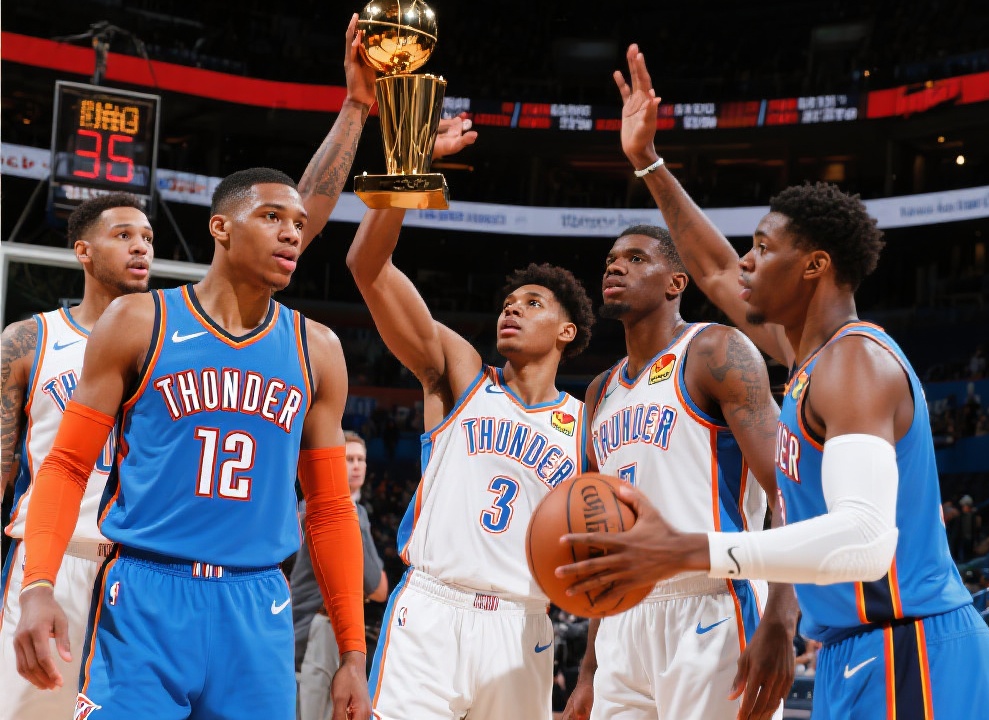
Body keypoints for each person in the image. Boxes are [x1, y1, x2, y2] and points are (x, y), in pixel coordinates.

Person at [557, 44, 989, 718]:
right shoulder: (807, 362)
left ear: (814, 267)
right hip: (853, 647)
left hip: (910, 646)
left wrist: (690, 550)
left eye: (763, 248)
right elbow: (711, 269)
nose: (746, 261)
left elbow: (864, 540)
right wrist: (648, 162)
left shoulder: (855, 363)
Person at [13, 167, 371, 720]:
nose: (291, 233)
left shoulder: (317, 348)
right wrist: (38, 584)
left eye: (299, 224)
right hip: (145, 596)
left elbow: (329, 508)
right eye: (271, 216)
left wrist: (353, 651)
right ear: (220, 228)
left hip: (257, 604)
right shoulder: (138, 320)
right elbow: (66, 465)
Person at [345, 204, 595, 720]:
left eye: (531, 303)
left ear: (567, 331)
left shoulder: (587, 425)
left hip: (523, 623)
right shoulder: (463, 378)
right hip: (433, 609)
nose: (511, 310)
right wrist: (398, 190)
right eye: (507, 304)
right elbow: (368, 268)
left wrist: (592, 668)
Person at [560, 224, 797, 720]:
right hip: (623, 619)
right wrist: (589, 669)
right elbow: (605, 535)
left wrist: (782, 611)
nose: (615, 266)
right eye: (610, 260)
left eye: (636, 258)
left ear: (676, 282)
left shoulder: (715, 351)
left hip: (711, 601)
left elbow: (787, 487)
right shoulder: (600, 391)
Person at [0, 193, 153, 720]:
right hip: (50, 561)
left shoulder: (166, 345)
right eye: (124, 235)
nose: (141, 247)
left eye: (147, 238)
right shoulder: (30, 340)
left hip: (140, 568)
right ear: (83, 251)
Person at [295, 430, 389, 720]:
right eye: (349, 459)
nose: (357, 466)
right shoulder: (346, 512)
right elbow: (377, 587)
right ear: (333, 461)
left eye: (361, 459)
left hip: (295, 631)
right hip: (320, 632)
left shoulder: (302, 507)